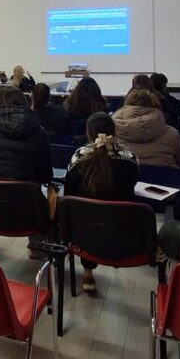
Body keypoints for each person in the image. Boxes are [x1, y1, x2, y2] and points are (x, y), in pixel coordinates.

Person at [64, 112, 138, 292]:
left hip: (84, 231)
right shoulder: (130, 158)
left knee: (85, 213)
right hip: (121, 230)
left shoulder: (79, 156)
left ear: (88, 134)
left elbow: (68, 194)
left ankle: (88, 272)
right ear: (114, 132)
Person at [112, 89, 180, 168]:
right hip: (163, 174)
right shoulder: (172, 134)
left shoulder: (113, 131)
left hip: (125, 173)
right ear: (155, 104)